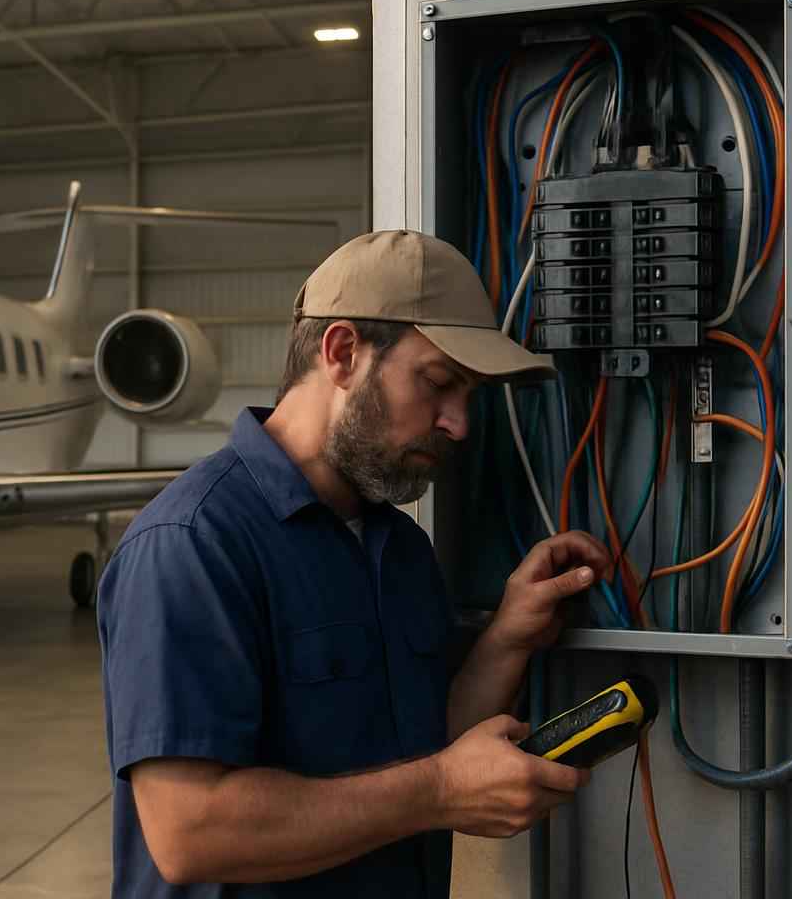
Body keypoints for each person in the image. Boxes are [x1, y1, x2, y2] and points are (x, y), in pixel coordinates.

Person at [96, 229, 614, 897]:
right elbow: (191, 831)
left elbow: (420, 750)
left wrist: (510, 635)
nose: (458, 424)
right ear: (342, 353)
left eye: (470, 396)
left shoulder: (400, 548)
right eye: (438, 384)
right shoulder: (193, 543)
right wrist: (440, 791)